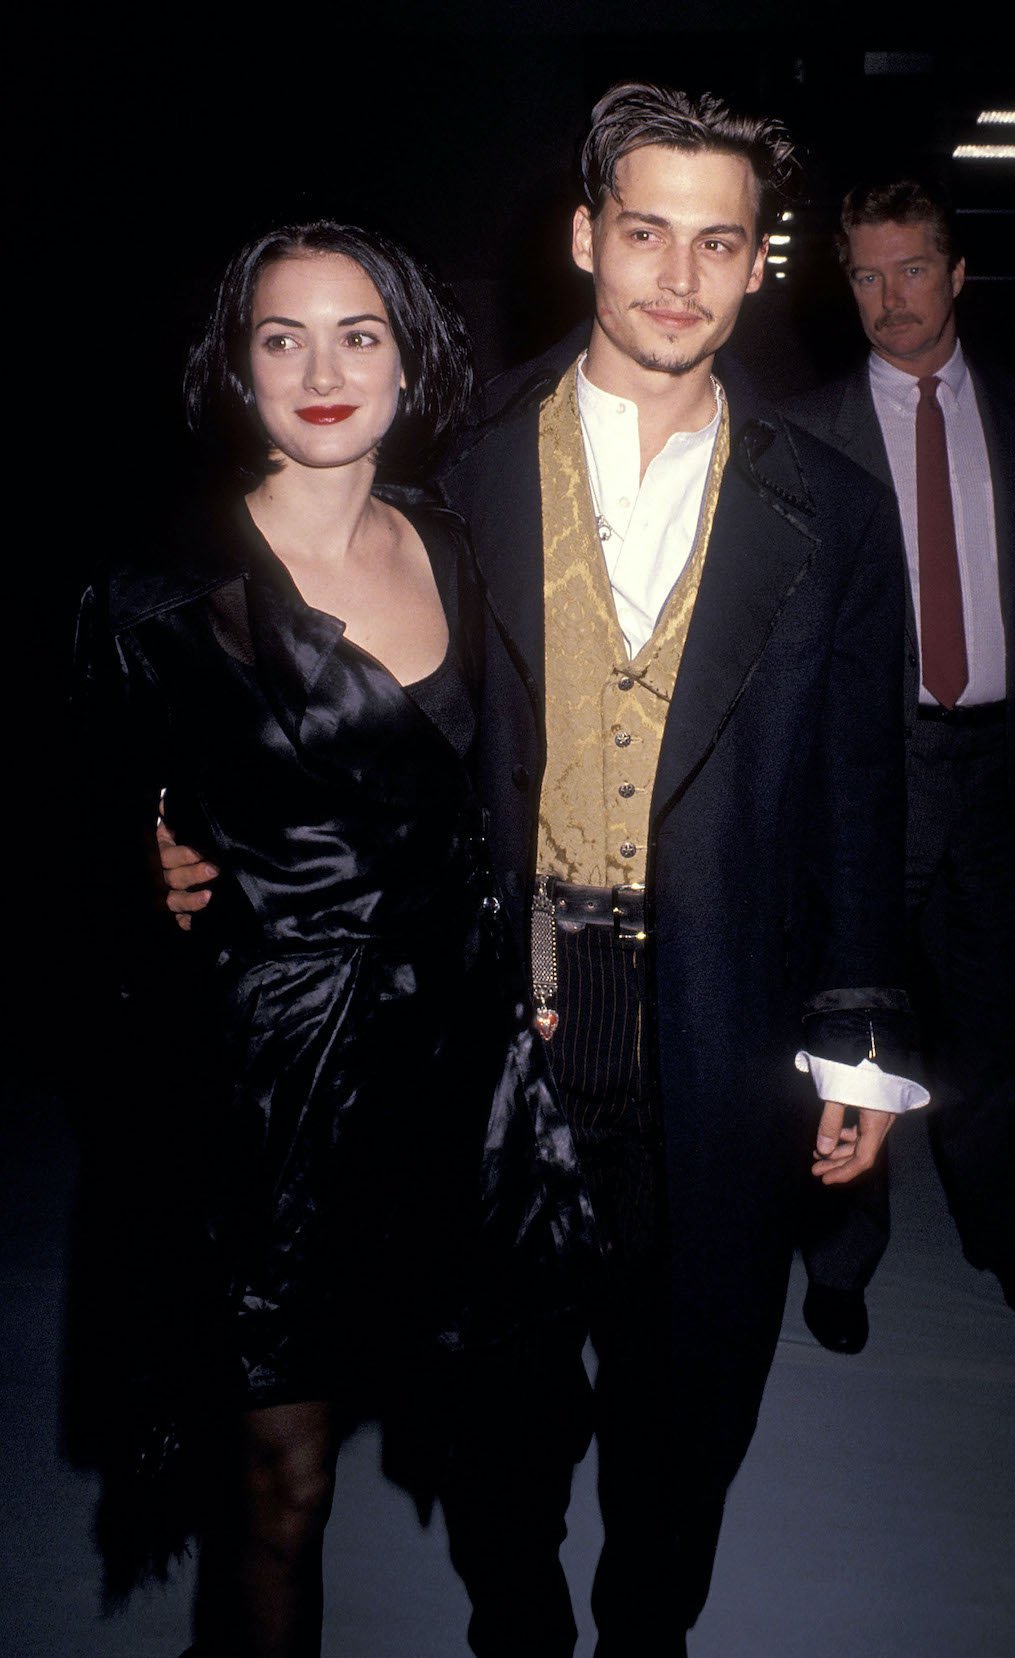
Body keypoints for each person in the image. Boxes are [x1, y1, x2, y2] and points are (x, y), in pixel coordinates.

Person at [161, 85, 928, 1654]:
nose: (675, 275)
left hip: (721, 1017)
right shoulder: (458, 468)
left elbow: (864, 785)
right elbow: (298, 645)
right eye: (643, 231)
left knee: (691, 1396)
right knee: (498, 1404)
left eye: (718, 242)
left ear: (756, 263)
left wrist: (857, 1033)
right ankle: (517, 1624)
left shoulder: (833, 510)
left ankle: (646, 1631)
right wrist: (179, 815)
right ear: (585, 235)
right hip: (495, 1021)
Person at [75, 220, 588, 1658]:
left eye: (357, 332)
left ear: (408, 354)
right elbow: (64, 838)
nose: (320, 367)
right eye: (281, 336)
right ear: (235, 367)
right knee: (280, 1486)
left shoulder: (463, 540)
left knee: (503, 1434)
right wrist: (135, 858)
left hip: (454, 1079)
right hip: (265, 1096)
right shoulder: (158, 596)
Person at [784, 178, 1015, 1354]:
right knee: (855, 1025)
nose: (891, 298)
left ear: (957, 274)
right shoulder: (806, 430)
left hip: (996, 774)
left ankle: (1006, 1240)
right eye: (868, 275)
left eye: (913, 269)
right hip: (862, 774)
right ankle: (839, 1260)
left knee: (992, 1030)